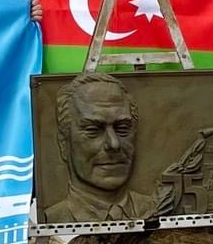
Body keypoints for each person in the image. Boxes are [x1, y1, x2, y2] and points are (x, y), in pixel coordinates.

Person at [41, 73, 151, 223]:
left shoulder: (156, 208)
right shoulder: (52, 219)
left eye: (123, 128)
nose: (114, 144)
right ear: (63, 142)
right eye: (93, 130)